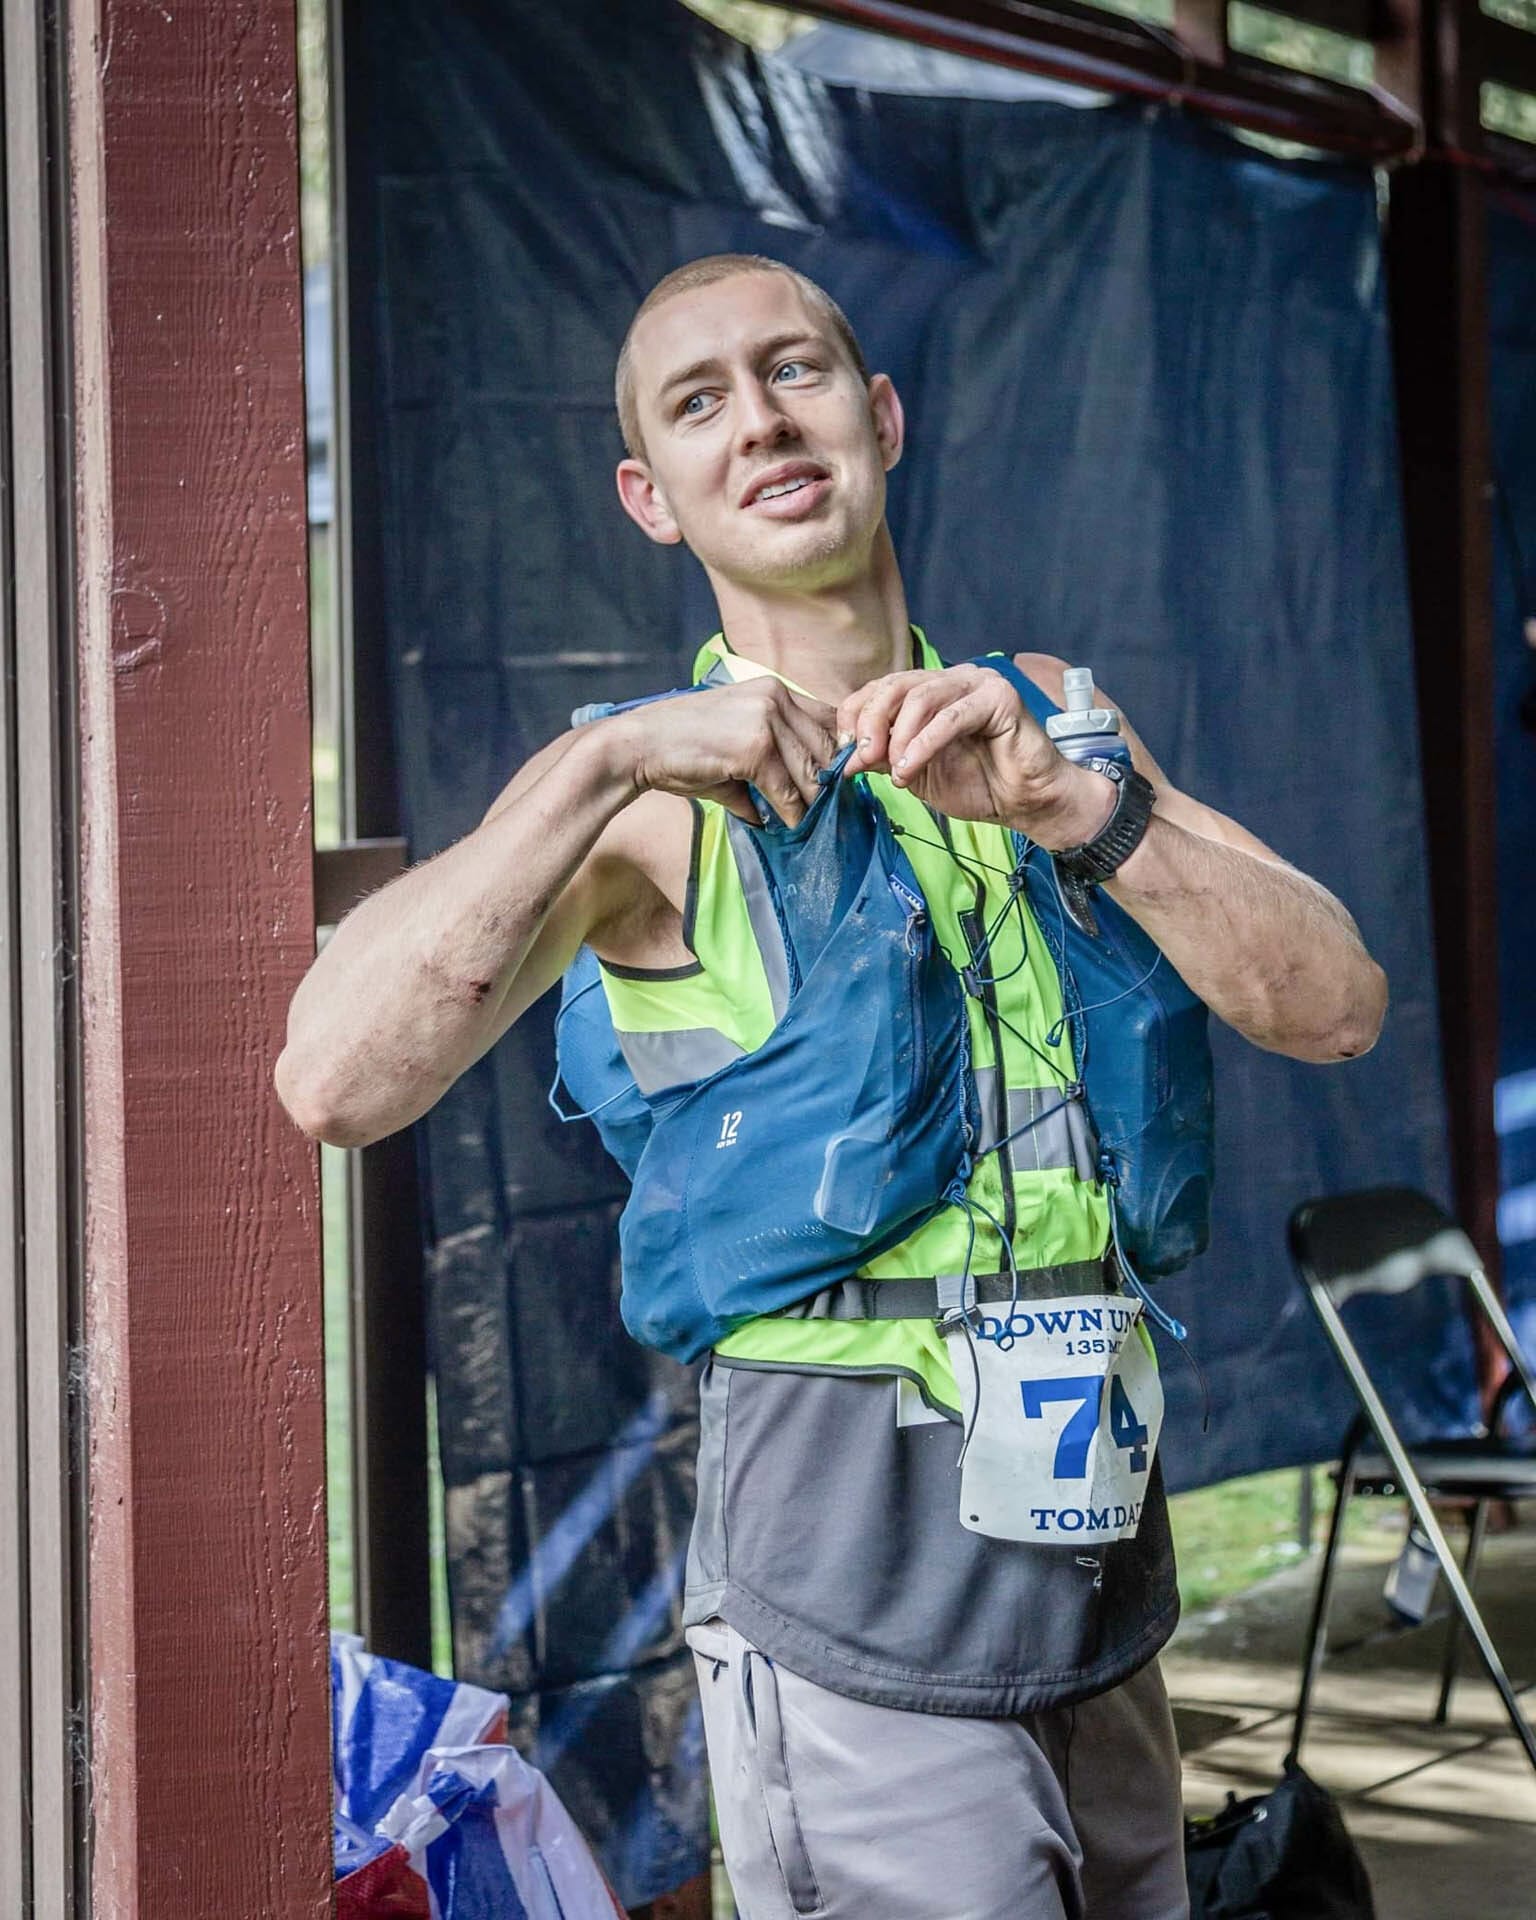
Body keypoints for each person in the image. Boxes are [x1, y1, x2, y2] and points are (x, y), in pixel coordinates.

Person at [277, 254, 1387, 1919]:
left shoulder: (1054, 729)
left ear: (879, 417)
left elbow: (1340, 1007)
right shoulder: (651, 801)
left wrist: (1095, 819)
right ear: (651, 499)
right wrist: (600, 764)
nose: (761, 423)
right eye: (699, 401)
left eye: (794, 372)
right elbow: (334, 1082)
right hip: (850, 1556)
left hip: (1095, 1541)